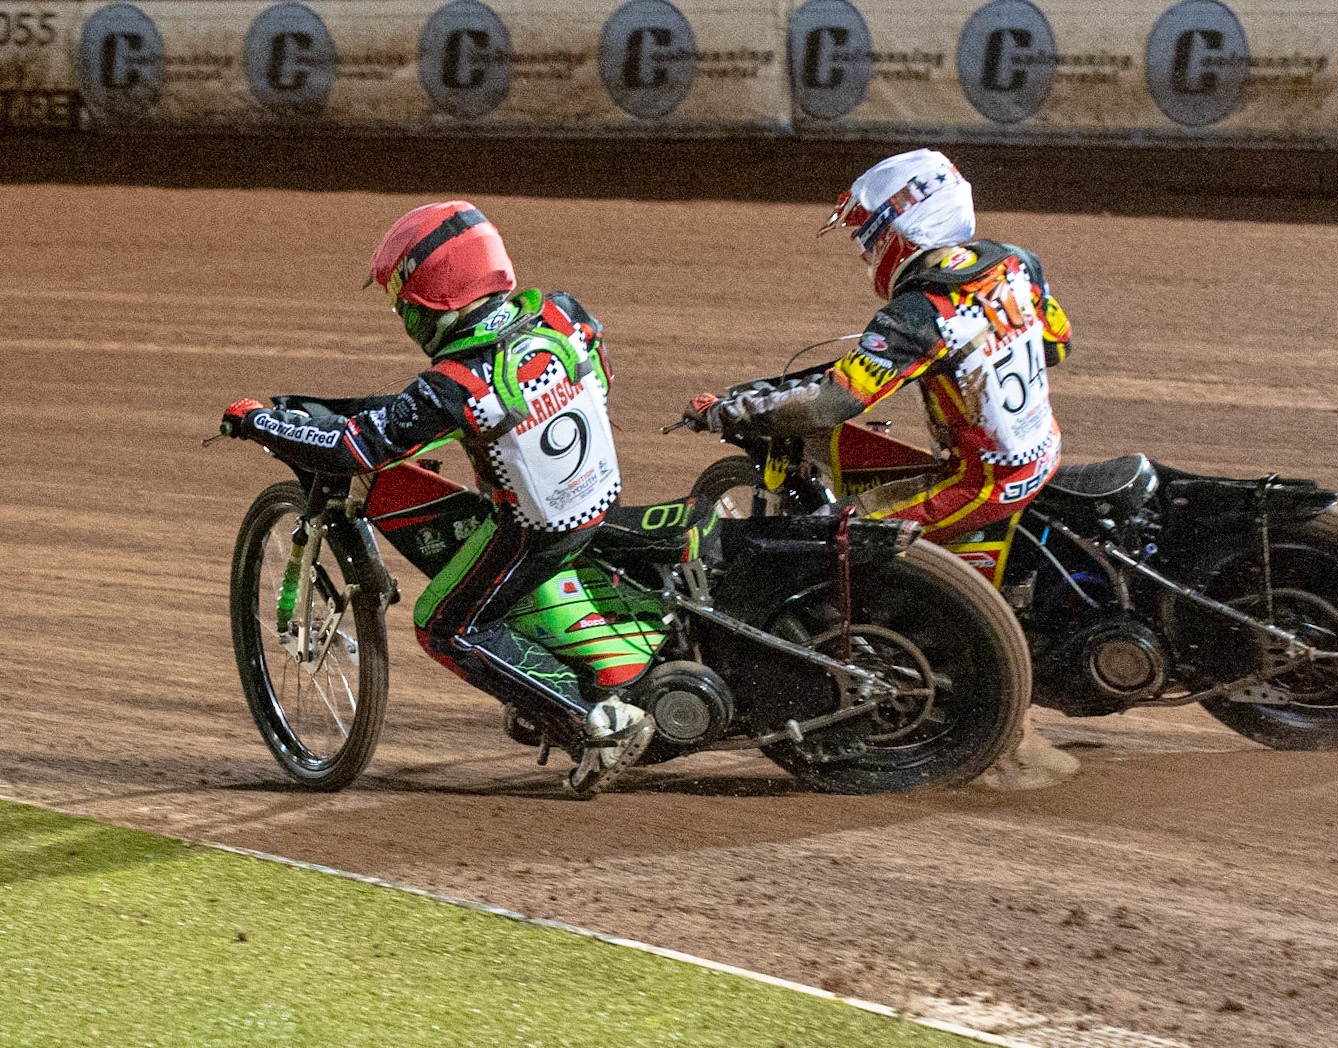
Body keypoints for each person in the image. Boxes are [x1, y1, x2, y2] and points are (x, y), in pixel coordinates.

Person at [222, 200, 653, 798]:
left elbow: (357, 450)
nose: (403, 315)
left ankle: (595, 725)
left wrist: (258, 423)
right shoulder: (560, 313)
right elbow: (594, 372)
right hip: (599, 490)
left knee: (442, 625)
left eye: (403, 302)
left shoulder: (455, 384)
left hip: (536, 529)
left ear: (430, 298)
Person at [683, 148, 1071, 543]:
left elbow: (828, 403)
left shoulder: (918, 313)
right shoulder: (1016, 263)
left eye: (869, 237)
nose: (866, 252)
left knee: (824, 538)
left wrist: (728, 413)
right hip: (1045, 452)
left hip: (983, 486)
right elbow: (1058, 344)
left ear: (900, 231)